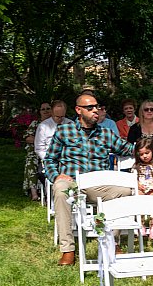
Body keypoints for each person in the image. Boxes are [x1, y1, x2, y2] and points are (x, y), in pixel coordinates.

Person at [44, 92, 133, 266]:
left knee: (125, 191)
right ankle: (68, 249)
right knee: (61, 190)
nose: (95, 110)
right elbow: (49, 159)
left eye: (97, 107)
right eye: (90, 107)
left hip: (97, 185)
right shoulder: (64, 130)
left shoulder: (106, 134)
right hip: (72, 183)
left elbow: (129, 148)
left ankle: (111, 242)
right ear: (78, 110)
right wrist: (56, 175)